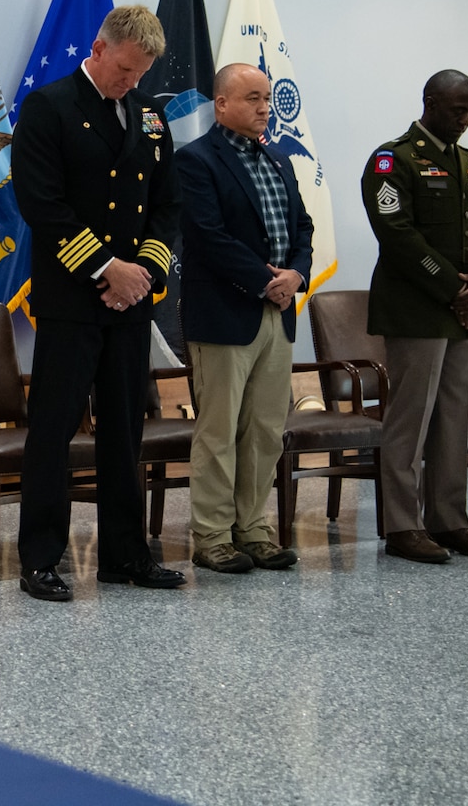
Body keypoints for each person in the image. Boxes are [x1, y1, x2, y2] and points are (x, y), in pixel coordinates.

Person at [10, 5, 185, 601]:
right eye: (126, 70)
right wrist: (108, 269)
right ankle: (40, 558)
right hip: (70, 301)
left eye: (141, 75)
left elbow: (166, 206)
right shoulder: (49, 107)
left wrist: (144, 273)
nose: (131, 82)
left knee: (123, 432)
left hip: (131, 304)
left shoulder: (151, 118)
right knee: (53, 431)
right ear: (99, 48)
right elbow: (43, 205)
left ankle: (125, 556)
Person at [361, 69, 468, 564]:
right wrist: (454, 288)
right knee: (410, 421)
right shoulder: (392, 160)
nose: (465, 120)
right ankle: (403, 526)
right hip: (417, 310)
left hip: (466, 312)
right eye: (457, 109)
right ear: (430, 102)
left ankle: (448, 519)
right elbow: (397, 234)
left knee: (453, 423)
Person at [175, 64, 313, 574]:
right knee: (219, 430)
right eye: (252, 98)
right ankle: (211, 536)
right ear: (222, 104)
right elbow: (208, 236)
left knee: (264, 429)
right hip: (226, 314)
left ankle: (253, 530)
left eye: (268, 100)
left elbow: (303, 225)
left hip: (278, 313)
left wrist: (296, 274)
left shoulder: (278, 159)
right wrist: (265, 280)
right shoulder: (194, 161)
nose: (263, 108)